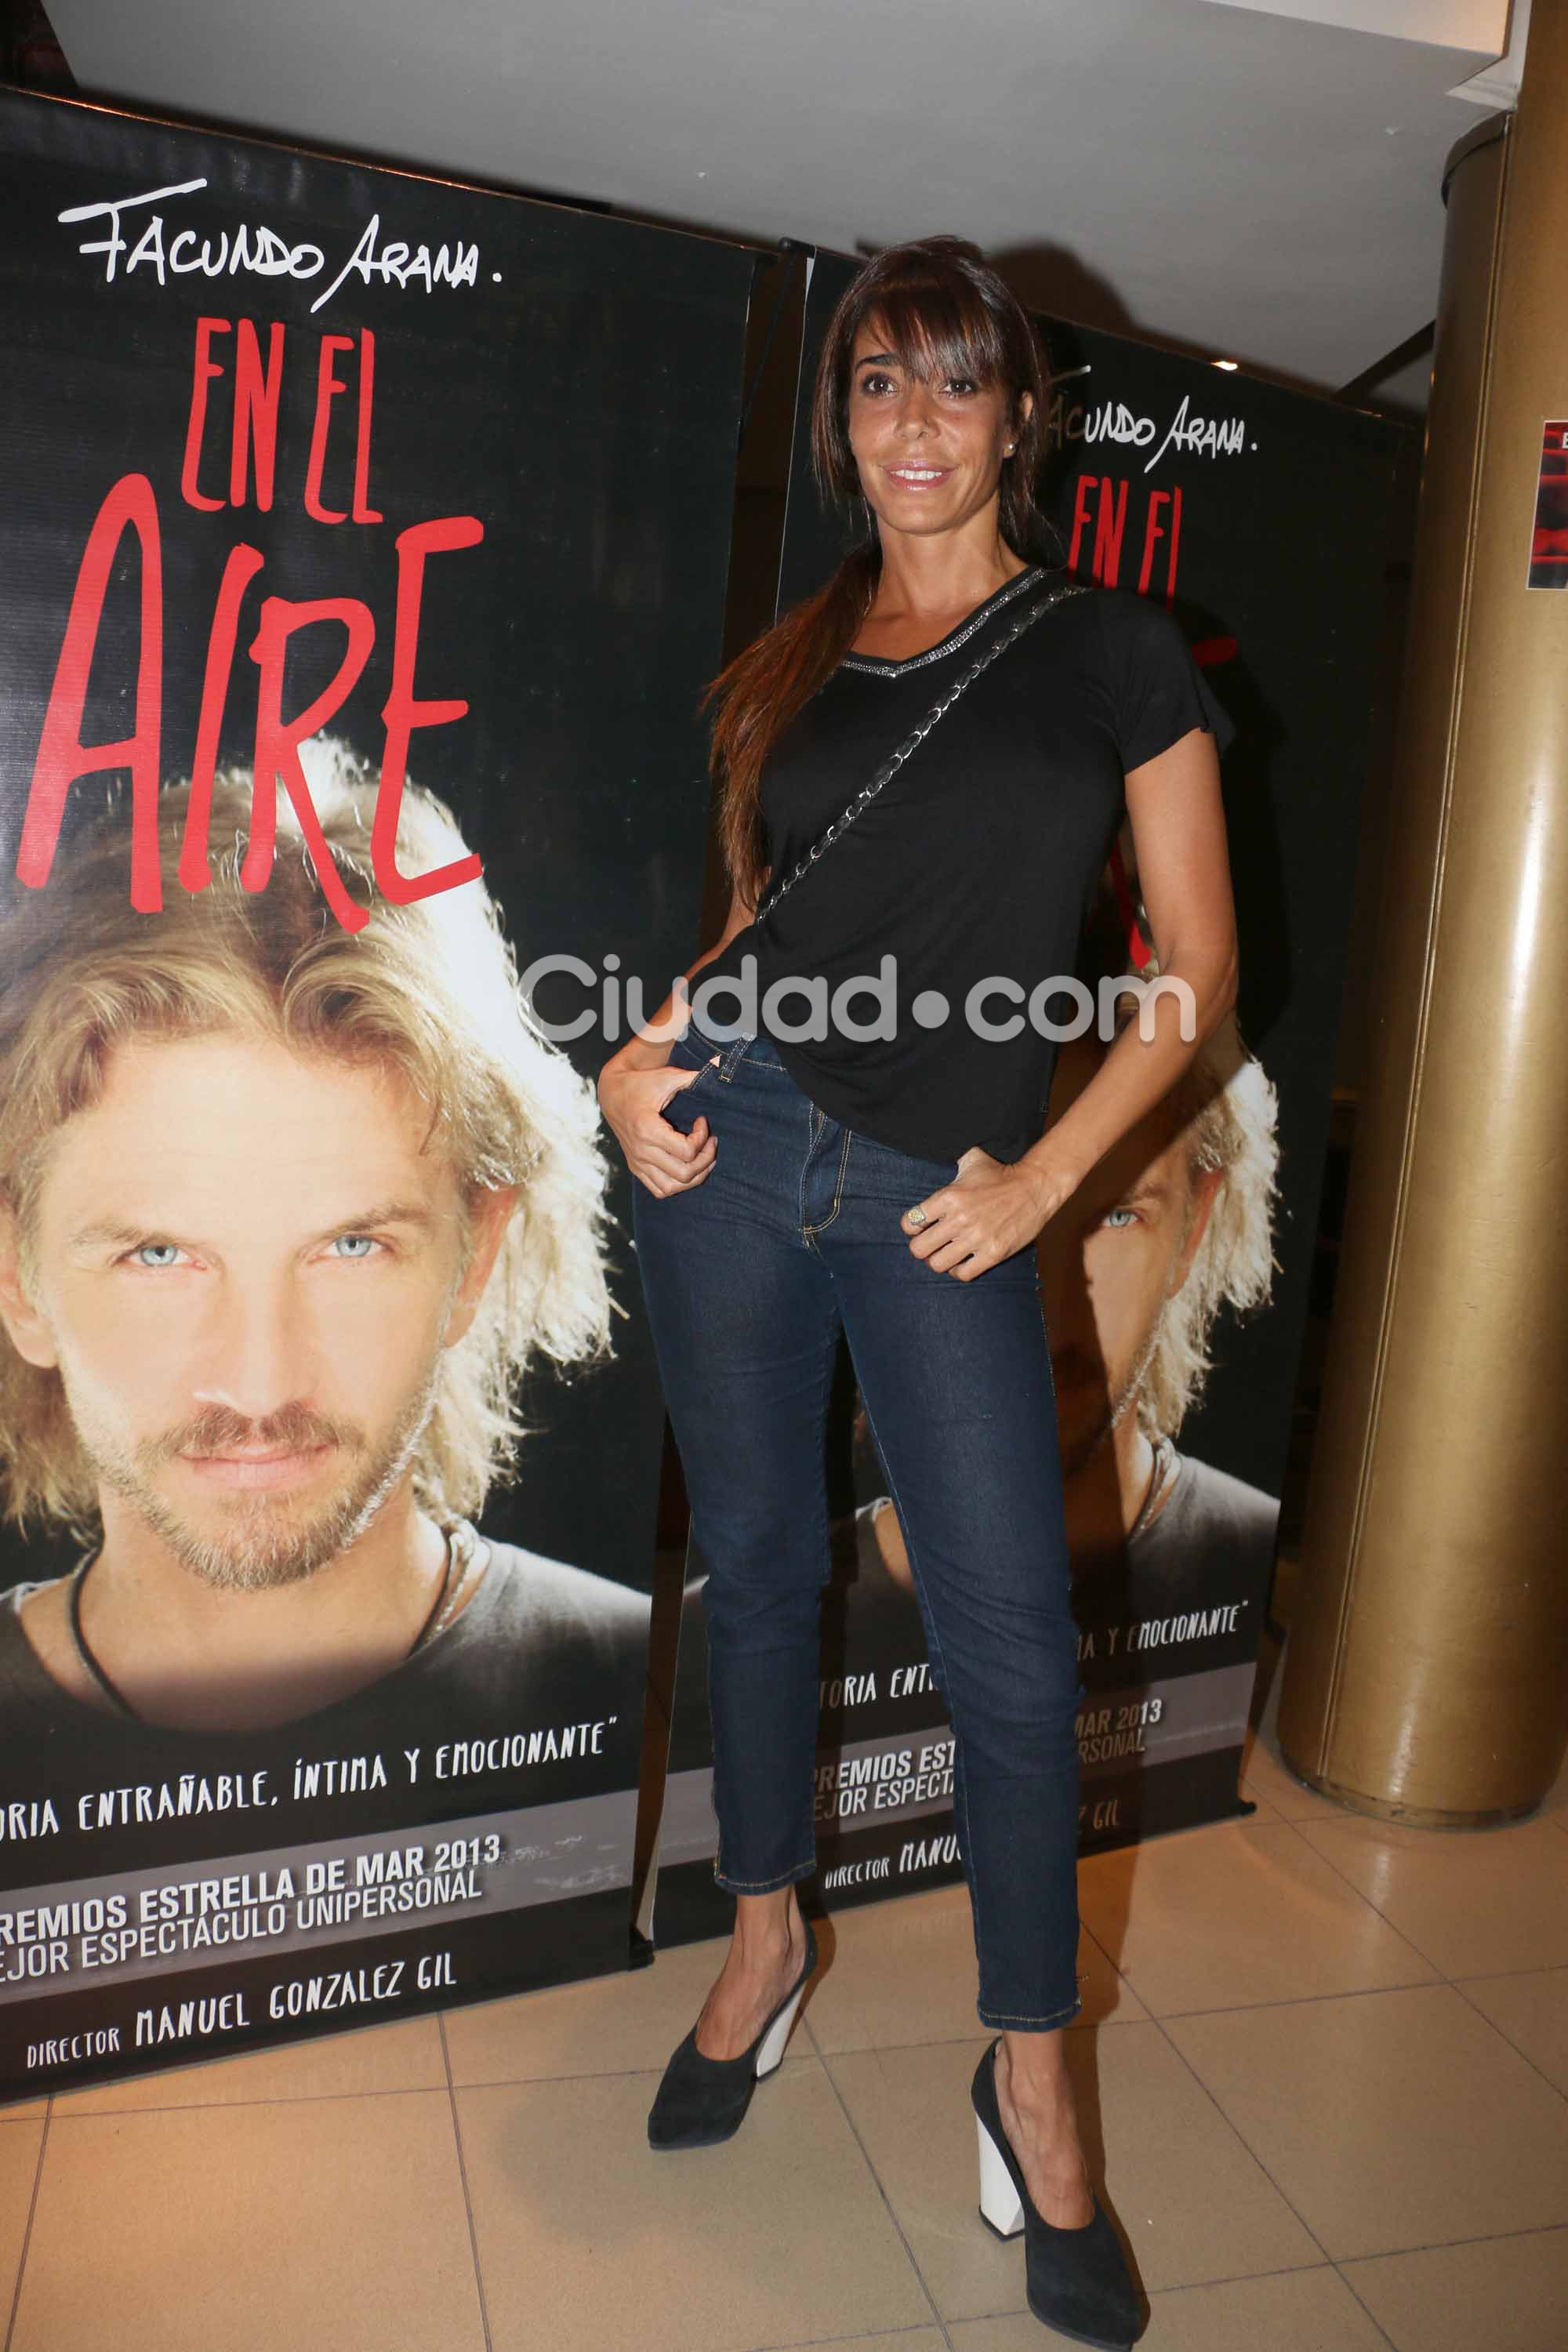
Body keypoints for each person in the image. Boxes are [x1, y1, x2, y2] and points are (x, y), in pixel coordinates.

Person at [599, 237, 1236, 2350]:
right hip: (732, 1146)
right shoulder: (801, 657)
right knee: (764, 1573)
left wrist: (1043, 1184)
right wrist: (639, 1049)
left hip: (946, 1190)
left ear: (1016, 417)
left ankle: (1036, 2079)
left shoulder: (1109, 650)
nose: (911, 425)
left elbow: (1193, 980)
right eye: (876, 384)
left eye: (954, 385)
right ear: (844, 420)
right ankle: (768, 1938)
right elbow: (767, 923)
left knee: (1011, 1653)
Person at [0, 742, 648, 1764]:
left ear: (474, 1255)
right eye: (161, 1255)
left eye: (351, 1245)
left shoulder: (663, 1696)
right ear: (17, 1280)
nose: (259, 1384)